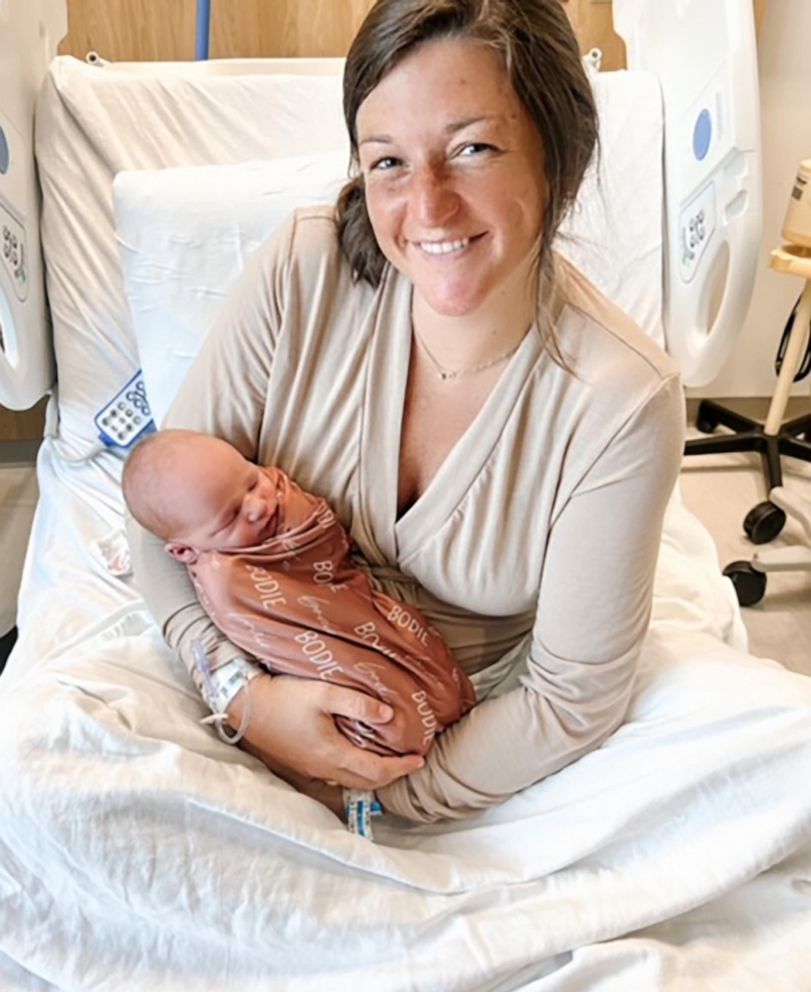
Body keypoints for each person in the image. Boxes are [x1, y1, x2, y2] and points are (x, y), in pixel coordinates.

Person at [128, 0, 684, 825]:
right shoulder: (302, 271)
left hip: (450, 752)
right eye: (388, 161)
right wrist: (244, 700)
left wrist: (376, 800)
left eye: (472, 149)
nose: (427, 207)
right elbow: (157, 519)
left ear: (558, 155)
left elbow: (569, 702)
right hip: (241, 690)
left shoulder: (618, 402)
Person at [122, 428, 476, 758]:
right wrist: (245, 698)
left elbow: (322, 538)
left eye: (253, 480)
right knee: (384, 712)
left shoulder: (228, 484)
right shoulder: (228, 579)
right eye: (231, 518)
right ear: (185, 552)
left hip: (358, 610)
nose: (260, 506)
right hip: (316, 660)